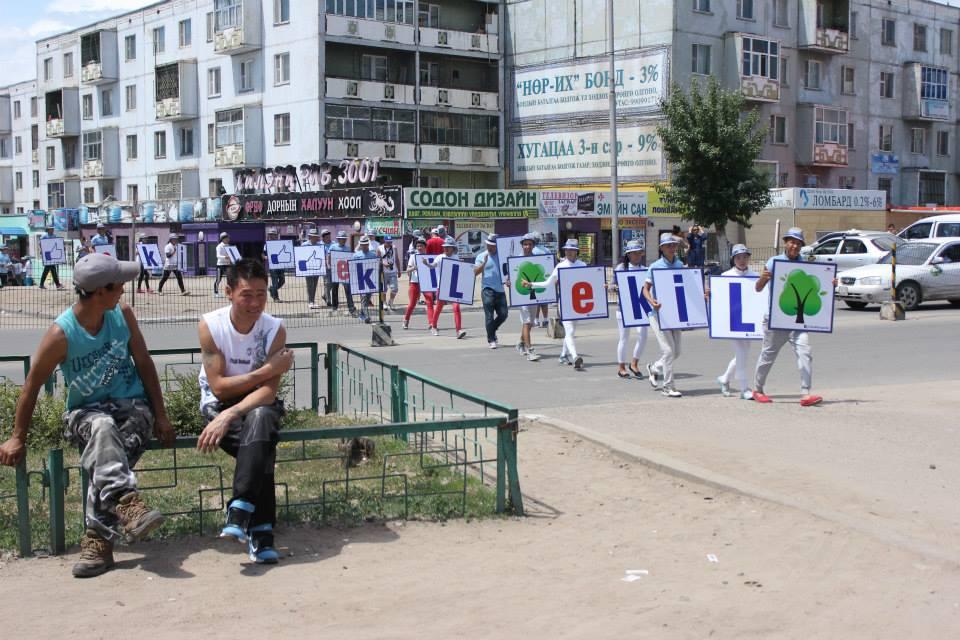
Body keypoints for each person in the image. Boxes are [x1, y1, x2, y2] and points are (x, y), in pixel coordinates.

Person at [0, 253, 175, 577]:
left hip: (132, 408)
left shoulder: (122, 314)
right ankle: (127, 503)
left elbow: (144, 362)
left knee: (106, 456)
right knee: (102, 428)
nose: (124, 289)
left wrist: (161, 415)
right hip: (85, 413)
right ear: (100, 292)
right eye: (118, 285)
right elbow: (32, 386)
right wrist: (16, 437)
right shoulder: (61, 334)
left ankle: (98, 542)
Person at [197, 258, 294, 565]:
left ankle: (240, 510)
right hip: (218, 405)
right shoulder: (211, 326)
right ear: (229, 292)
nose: (255, 303)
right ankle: (261, 530)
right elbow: (219, 388)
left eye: (261, 294)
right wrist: (266, 370)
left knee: (262, 418)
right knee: (261, 446)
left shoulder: (274, 329)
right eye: (247, 295)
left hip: (256, 406)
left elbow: (268, 392)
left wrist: (232, 413)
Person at [752, 228, 836, 407]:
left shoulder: (806, 264)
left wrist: (831, 284)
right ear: (786, 243)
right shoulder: (773, 262)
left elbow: (819, 285)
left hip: (798, 320)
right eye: (792, 242)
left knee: (805, 352)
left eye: (798, 243)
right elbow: (758, 288)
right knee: (768, 355)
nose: (795, 246)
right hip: (776, 319)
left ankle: (805, 393)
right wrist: (763, 278)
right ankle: (757, 389)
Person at [523, 239, 586, 369]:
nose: (569, 252)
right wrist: (531, 284)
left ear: (576, 252)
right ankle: (575, 357)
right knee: (569, 330)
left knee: (571, 332)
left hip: (578, 303)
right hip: (565, 302)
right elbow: (547, 283)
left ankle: (563, 356)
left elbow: (589, 282)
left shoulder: (582, 265)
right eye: (567, 250)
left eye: (572, 250)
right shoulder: (560, 266)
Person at [643, 233, 687, 397]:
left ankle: (654, 368)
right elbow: (645, 290)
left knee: (676, 352)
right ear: (661, 248)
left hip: (675, 314)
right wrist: (652, 302)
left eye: (674, 245)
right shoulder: (655, 266)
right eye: (668, 245)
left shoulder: (680, 265)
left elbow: (686, 285)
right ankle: (668, 387)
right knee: (668, 351)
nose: (672, 248)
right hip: (658, 314)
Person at [717, 244, 758, 400]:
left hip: (749, 321)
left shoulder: (755, 276)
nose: (742, 260)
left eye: (745, 257)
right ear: (733, 259)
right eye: (738, 257)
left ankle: (724, 378)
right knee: (741, 353)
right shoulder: (725, 276)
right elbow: (719, 299)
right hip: (732, 321)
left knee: (743, 353)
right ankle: (744, 388)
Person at [610, 240, 648, 379]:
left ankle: (634, 363)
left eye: (639, 253)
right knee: (624, 338)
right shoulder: (621, 268)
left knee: (643, 335)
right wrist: (614, 287)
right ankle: (621, 368)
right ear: (628, 254)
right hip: (624, 309)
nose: (637, 255)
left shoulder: (645, 269)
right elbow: (611, 286)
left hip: (640, 308)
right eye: (634, 253)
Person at [422, 236, 466, 338]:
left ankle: (458, 330)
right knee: (439, 307)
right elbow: (432, 266)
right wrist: (426, 264)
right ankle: (434, 326)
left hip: (453, 287)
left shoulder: (456, 257)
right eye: (445, 246)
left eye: (448, 247)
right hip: (441, 286)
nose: (446, 248)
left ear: (453, 248)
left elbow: (459, 272)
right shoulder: (440, 257)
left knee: (456, 307)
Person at [472, 233, 509, 350]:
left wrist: (508, 280)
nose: (490, 247)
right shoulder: (481, 256)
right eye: (488, 245)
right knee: (489, 316)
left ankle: (492, 329)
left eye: (492, 245)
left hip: (500, 290)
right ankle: (491, 339)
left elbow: (508, 271)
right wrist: (483, 263)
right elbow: (475, 272)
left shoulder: (503, 256)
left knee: (503, 314)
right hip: (487, 289)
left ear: (497, 245)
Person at [508, 234, 540, 361]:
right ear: (522, 245)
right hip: (521, 295)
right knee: (526, 322)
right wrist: (509, 282)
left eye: (530, 244)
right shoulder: (516, 260)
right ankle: (530, 350)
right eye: (525, 244)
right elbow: (510, 278)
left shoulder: (538, 259)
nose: (527, 246)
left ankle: (521, 342)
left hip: (534, 295)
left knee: (530, 323)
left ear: (533, 245)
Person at [402, 237, 435, 330]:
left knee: (429, 302)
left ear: (425, 247)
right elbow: (407, 270)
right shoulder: (413, 256)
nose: (419, 248)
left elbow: (433, 268)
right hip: (415, 282)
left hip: (426, 282)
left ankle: (432, 322)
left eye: (421, 246)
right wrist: (414, 268)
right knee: (412, 303)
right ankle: (406, 320)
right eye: (418, 246)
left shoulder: (429, 257)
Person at [327, 230, 357, 316]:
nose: (343, 240)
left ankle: (351, 308)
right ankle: (334, 307)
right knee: (334, 289)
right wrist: (329, 265)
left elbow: (350, 259)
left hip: (345, 272)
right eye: (341, 238)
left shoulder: (348, 249)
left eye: (344, 239)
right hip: (335, 271)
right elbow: (329, 256)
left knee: (348, 290)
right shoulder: (333, 247)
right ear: (338, 239)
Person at [353, 235, 378, 323]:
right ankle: (367, 316)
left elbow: (376, 266)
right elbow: (352, 267)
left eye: (366, 244)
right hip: (361, 279)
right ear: (360, 245)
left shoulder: (373, 255)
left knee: (368, 297)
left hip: (370, 279)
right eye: (363, 244)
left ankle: (362, 314)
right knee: (363, 297)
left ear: (368, 244)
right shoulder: (356, 255)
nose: (364, 246)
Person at [262, 228, 285, 303]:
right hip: (273, 266)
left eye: (273, 234)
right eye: (271, 235)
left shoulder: (280, 243)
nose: (272, 236)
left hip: (281, 265)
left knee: (282, 281)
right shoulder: (266, 245)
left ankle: (271, 289)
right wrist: (266, 257)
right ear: (269, 235)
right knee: (275, 282)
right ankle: (276, 298)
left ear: (276, 235)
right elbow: (263, 255)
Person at [301, 229, 324, 309]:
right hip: (308, 268)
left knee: (314, 285)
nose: (314, 238)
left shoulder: (320, 245)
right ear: (309, 237)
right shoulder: (304, 245)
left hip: (316, 268)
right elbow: (301, 255)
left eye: (315, 236)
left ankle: (312, 301)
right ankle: (310, 301)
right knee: (310, 285)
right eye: (313, 236)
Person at [378, 235, 400, 311]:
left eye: (390, 242)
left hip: (393, 271)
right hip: (383, 272)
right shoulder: (379, 248)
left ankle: (391, 301)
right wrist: (383, 264)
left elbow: (396, 259)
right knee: (384, 289)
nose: (389, 243)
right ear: (384, 241)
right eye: (387, 242)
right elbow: (377, 259)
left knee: (395, 288)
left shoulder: (394, 248)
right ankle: (384, 303)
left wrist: (399, 270)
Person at [213, 232, 236, 297]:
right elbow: (218, 256)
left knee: (230, 279)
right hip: (220, 265)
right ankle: (216, 293)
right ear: (223, 239)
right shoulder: (219, 246)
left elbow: (232, 255)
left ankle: (230, 292)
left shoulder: (229, 246)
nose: (228, 239)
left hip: (228, 264)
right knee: (218, 279)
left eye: (228, 238)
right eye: (227, 238)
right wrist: (226, 257)